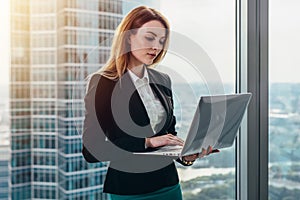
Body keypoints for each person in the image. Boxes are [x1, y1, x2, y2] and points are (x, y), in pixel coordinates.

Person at [82, 6, 217, 200]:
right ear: (128, 37)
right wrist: (147, 142)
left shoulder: (162, 80)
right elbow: (92, 150)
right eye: (150, 37)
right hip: (130, 190)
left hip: (168, 185)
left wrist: (186, 156)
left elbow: (168, 137)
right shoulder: (103, 83)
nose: (157, 46)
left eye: (162, 41)